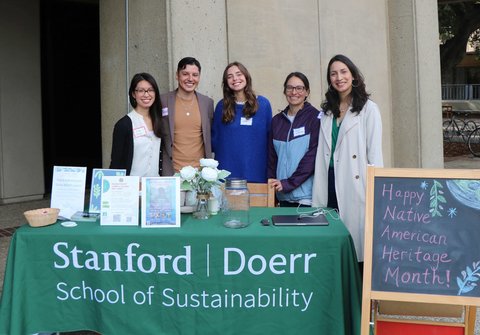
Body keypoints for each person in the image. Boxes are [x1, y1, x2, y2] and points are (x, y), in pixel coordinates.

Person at [312, 54, 383, 264]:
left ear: (353, 76)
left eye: (343, 72)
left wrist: (374, 192)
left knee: (358, 246)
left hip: (356, 184)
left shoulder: (369, 109)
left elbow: (375, 155)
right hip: (329, 182)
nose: (339, 77)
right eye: (333, 74)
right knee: (333, 240)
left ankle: (361, 293)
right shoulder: (327, 112)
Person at [212, 61, 272, 183]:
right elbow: (215, 140)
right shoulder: (221, 106)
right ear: (226, 82)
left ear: (246, 76)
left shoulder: (263, 104)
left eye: (238, 74)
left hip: (257, 173)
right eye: (230, 76)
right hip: (227, 175)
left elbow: (270, 139)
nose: (235, 79)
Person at [268, 72, 321, 207]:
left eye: (299, 88)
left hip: (306, 198)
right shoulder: (276, 121)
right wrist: (272, 189)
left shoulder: (315, 118)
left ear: (307, 92)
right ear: (285, 91)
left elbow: (312, 158)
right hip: (282, 196)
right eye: (290, 88)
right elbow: (271, 159)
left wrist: (289, 183)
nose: (294, 92)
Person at [160, 57, 214, 176]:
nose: (190, 79)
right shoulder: (163, 100)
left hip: (200, 175)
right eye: (185, 74)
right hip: (172, 172)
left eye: (195, 75)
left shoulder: (207, 103)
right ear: (177, 75)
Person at [109, 72, 164, 176]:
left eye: (150, 90)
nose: (146, 94)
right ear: (134, 94)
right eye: (141, 91)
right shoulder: (124, 124)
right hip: (132, 187)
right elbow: (116, 162)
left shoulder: (159, 121)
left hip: (154, 186)